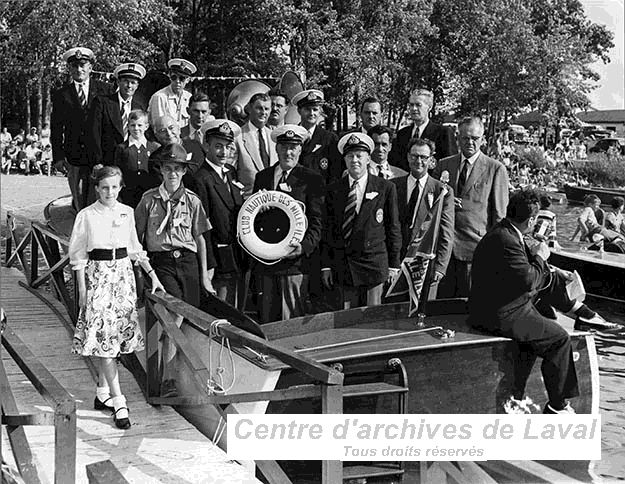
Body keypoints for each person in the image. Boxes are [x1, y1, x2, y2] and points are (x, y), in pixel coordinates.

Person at [469, 189, 616, 414]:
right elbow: (528, 280)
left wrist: (554, 269)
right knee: (559, 338)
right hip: (501, 313)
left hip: (504, 303)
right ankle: (557, 407)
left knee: (551, 279)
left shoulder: (504, 232)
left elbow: (526, 272)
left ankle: (582, 312)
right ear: (530, 220)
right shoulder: (507, 240)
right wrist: (541, 257)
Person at [68, 165, 164, 429]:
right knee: (104, 338)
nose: (109, 192)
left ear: (120, 188)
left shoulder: (127, 212)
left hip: (123, 278)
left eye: (114, 187)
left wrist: (153, 276)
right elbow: (77, 256)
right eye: (104, 187)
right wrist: (84, 291)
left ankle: (102, 393)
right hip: (98, 278)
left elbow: (135, 248)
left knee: (114, 337)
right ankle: (119, 400)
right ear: (96, 188)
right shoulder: (86, 216)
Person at [135, 143, 213, 397]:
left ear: (183, 171)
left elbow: (200, 239)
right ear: (160, 170)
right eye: (168, 168)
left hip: (188, 262)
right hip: (162, 264)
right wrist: (140, 273)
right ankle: (166, 378)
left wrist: (204, 277)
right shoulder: (148, 200)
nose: (172, 174)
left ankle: (186, 374)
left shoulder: (192, 201)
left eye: (177, 169)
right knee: (174, 314)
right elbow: (136, 239)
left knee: (189, 314)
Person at [252, 124, 324, 322]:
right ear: (276, 149)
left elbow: (317, 222)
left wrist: (304, 247)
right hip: (266, 260)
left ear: (300, 150)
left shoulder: (311, 179)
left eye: (293, 147)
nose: (288, 152)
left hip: (294, 263)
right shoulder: (263, 177)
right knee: (267, 319)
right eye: (284, 147)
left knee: (291, 320)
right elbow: (251, 218)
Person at [322, 132, 401, 308]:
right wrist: (326, 266)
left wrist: (394, 265)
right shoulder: (334, 189)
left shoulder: (385, 187)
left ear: (368, 159)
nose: (354, 160)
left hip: (373, 266)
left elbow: (393, 228)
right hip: (344, 266)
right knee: (345, 321)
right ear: (344, 159)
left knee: (371, 320)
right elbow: (328, 231)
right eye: (350, 156)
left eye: (359, 156)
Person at [433, 116, 509, 298]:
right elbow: (431, 204)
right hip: (444, 250)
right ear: (458, 138)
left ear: (482, 140)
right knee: (441, 307)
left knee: (468, 306)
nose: (469, 142)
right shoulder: (444, 165)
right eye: (465, 138)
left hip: (474, 250)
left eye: (474, 138)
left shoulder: (495, 169)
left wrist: (495, 252)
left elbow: (499, 216)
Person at [391, 138, 454, 298]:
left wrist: (440, 267)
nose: (418, 161)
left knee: (422, 314)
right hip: (397, 262)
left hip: (425, 265)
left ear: (431, 160)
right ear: (407, 157)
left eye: (424, 157)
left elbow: (446, 232)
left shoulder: (442, 191)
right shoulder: (392, 186)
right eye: (414, 156)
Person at [51, 47, 112, 211]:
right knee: (79, 199)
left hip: (100, 155)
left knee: (102, 197)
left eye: (83, 65)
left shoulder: (105, 90)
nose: (79, 69)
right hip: (74, 156)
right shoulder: (61, 94)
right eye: (75, 66)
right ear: (69, 69)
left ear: (90, 67)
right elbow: (56, 128)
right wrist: (58, 156)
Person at [193, 119, 245, 307]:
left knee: (238, 310)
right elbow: (202, 227)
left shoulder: (230, 172)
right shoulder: (200, 179)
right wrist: (209, 264)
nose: (223, 152)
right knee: (222, 312)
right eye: (218, 146)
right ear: (206, 145)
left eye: (227, 146)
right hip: (218, 257)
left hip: (237, 253)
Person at [89, 63, 146, 168]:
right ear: (118, 82)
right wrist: (97, 161)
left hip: (130, 162)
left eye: (133, 83)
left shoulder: (139, 107)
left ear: (137, 86)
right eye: (126, 81)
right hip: (107, 161)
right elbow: (94, 134)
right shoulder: (102, 102)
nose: (129, 86)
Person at [389, 88, 457, 171]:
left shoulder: (443, 133)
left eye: (418, 105)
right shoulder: (402, 134)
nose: (413, 108)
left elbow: (450, 165)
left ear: (429, 107)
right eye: (411, 105)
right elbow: (394, 164)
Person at [292, 89, 342, 185]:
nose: (311, 113)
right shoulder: (292, 136)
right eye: (307, 109)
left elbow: (335, 172)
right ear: (299, 111)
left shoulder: (330, 139)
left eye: (315, 109)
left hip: (320, 194)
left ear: (320, 111)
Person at [113, 109, 160, 207]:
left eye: (139, 125)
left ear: (146, 126)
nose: (136, 128)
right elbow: (117, 171)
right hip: (128, 194)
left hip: (149, 192)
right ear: (128, 127)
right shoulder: (122, 148)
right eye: (132, 125)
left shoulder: (154, 147)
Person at [236, 92, 277, 198]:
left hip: (275, 201)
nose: (263, 112)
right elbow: (230, 173)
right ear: (249, 109)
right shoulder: (237, 137)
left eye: (267, 109)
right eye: (259, 108)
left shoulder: (275, 137)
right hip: (249, 202)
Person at [148, 58, 196, 128]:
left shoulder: (189, 97)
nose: (177, 81)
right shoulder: (159, 97)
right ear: (170, 77)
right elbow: (158, 126)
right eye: (174, 77)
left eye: (182, 78)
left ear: (188, 80)